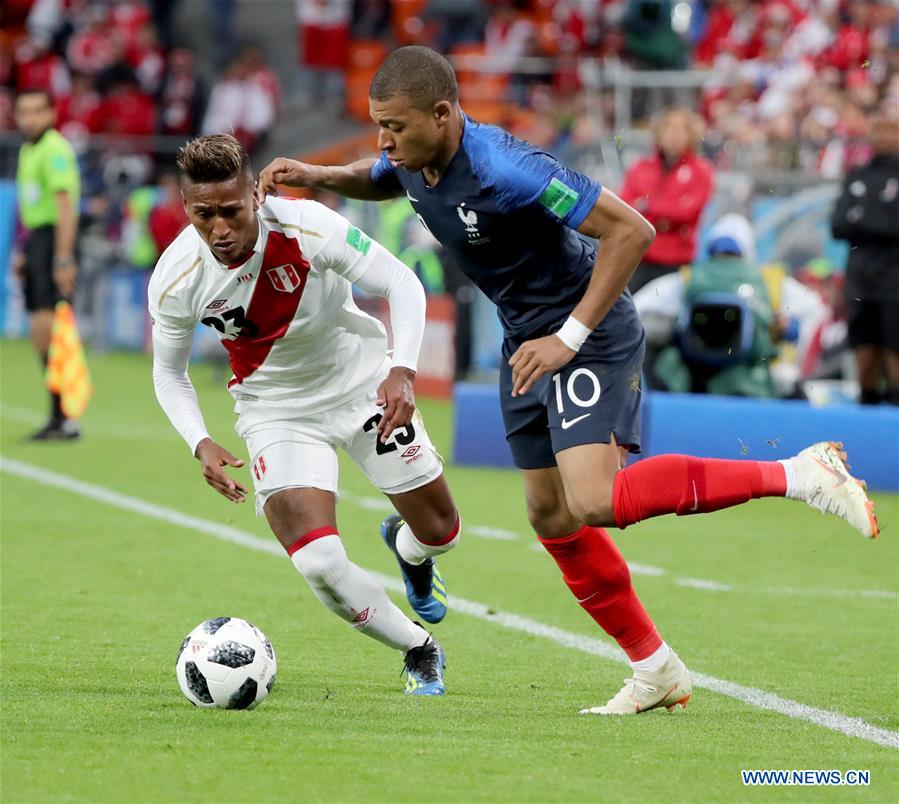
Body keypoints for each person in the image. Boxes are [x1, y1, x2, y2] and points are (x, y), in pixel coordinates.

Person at [258, 46, 879, 715]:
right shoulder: (413, 155)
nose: (385, 140)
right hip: (526, 339)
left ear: (442, 114)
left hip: (588, 328)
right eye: (379, 125)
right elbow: (382, 175)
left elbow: (629, 231)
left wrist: (568, 338)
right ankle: (654, 668)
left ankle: (799, 473)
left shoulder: (507, 169)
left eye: (396, 127)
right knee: (549, 514)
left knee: (591, 500)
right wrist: (315, 174)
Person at [148, 134, 461, 696]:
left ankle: (411, 552)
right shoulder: (176, 278)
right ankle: (418, 649)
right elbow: (169, 373)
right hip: (276, 410)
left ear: (256, 197)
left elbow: (402, 283)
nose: (219, 229)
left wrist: (403, 371)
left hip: (365, 385)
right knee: (318, 561)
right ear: (186, 207)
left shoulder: (308, 227)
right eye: (203, 215)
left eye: (230, 211)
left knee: (442, 532)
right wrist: (200, 441)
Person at [634, 213, 826, 397]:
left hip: (697, 383)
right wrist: (791, 330)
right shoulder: (771, 280)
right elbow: (817, 311)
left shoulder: (687, 278)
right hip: (752, 383)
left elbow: (637, 308)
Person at [13, 88, 81, 440]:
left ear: (51, 114)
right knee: (41, 331)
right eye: (23, 112)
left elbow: (64, 206)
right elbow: (29, 205)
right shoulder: (28, 149)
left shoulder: (55, 149)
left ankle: (68, 416)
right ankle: (57, 413)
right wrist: (23, 250)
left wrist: (63, 256)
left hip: (56, 238)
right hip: (38, 240)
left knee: (53, 329)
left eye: (36, 111)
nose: (29, 119)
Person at [830, 110, 899, 405]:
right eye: (877, 130)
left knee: (894, 350)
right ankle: (868, 411)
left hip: (895, 279)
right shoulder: (857, 174)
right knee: (864, 350)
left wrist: (864, 223)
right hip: (860, 278)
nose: (882, 137)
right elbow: (838, 225)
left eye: (889, 131)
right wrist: (879, 223)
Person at [619, 107, 714, 294]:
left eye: (680, 130)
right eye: (669, 129)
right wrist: (666, 213)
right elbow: (625, 206)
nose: (674, 136)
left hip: (677, 261)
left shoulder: (701, 171)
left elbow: (687, 212)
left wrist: (648, 206)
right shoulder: (641, 168)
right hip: (641, 258)